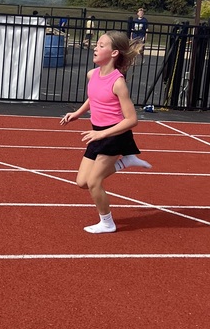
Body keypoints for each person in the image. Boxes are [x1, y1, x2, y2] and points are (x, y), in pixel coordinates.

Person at [60, 30, 151, 234]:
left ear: (114, 53)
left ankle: (107, 222)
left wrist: (102, 134)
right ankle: (125, 162)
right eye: (96, 44)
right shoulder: (92, 74)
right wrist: (77, 113)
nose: (95, 47)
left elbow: (132, 120)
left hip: (114, 135)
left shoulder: (118, 82)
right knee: (82, 182)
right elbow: (94, 98)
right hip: (98, 133)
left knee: (94, 182)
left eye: (101, 45)